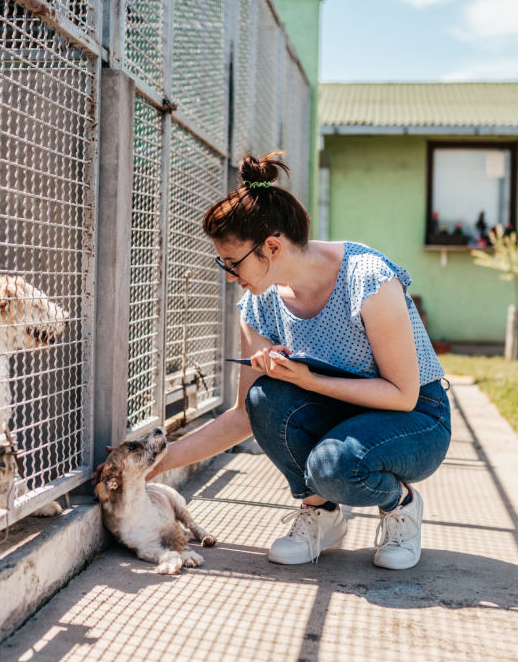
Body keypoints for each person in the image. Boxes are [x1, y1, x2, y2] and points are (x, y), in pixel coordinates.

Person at [104, 151, 451, 569]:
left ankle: (401, 505)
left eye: (233, 263)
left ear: (271, 246)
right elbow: (243, 416)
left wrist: (307, 380)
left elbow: (402, 394)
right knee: (264, 398)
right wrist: (152, 466)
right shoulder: (258, 303)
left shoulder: (367, 278)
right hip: (344, 413)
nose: (229, 275)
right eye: (223, 263)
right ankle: (320, 514)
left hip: (415, 417)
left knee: (334, 465)